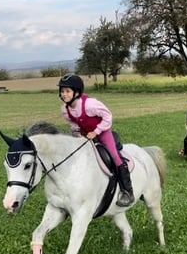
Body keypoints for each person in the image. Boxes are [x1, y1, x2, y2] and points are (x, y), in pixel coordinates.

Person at [57, 74, 135, 207]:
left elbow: (108, 117)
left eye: (67, 91)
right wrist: (77, 132)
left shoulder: (90, 105)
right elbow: (73, 123)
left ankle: (128, 191)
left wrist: (97, 131)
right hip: (86, 135)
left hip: (103, 132)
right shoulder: (65, 110)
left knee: (115, 156)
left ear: (76, 92)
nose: (64, 94)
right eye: (62, 91)